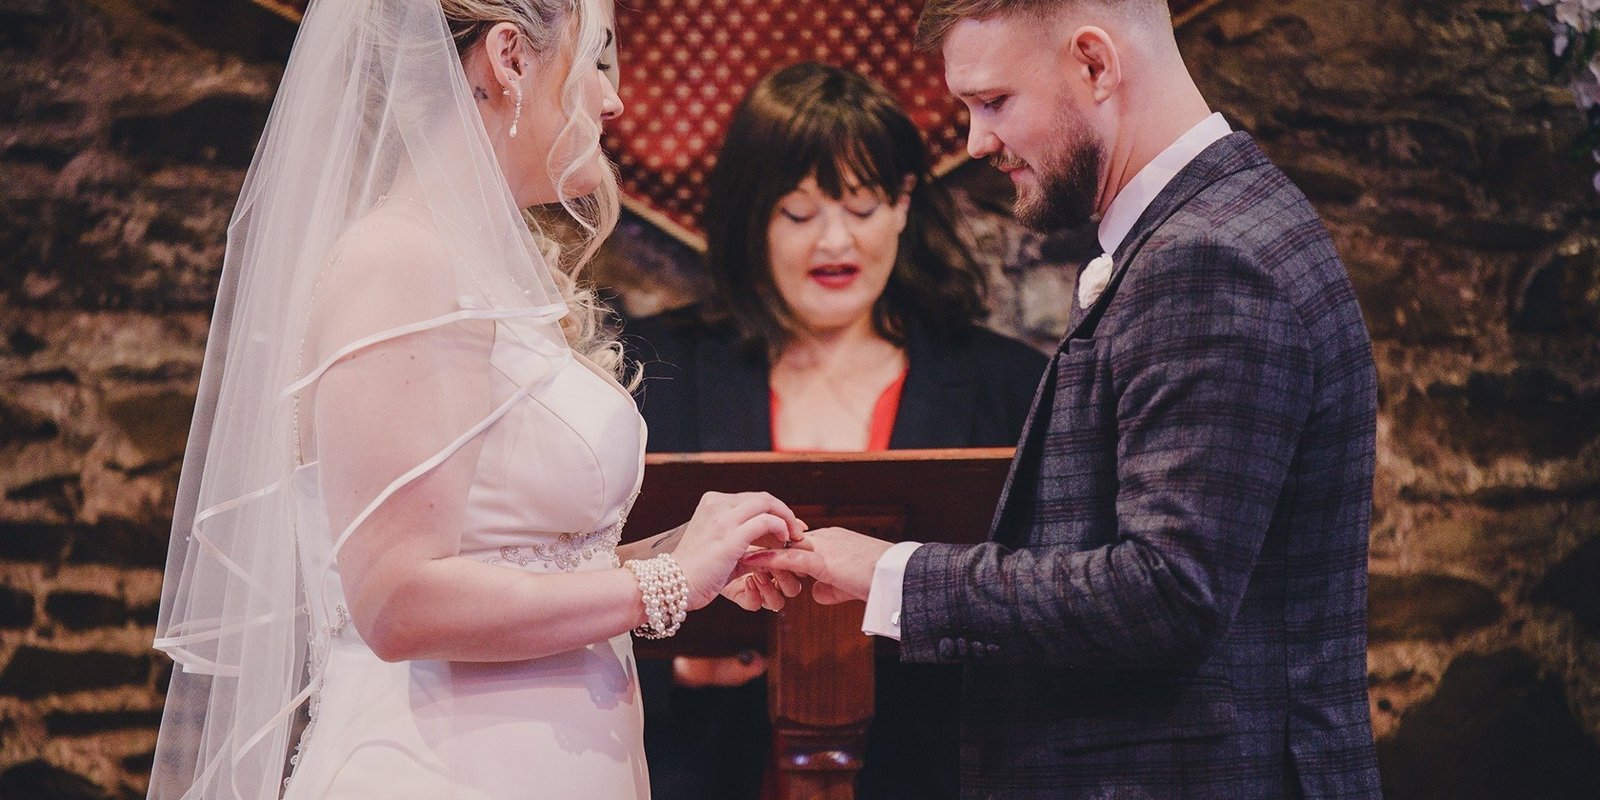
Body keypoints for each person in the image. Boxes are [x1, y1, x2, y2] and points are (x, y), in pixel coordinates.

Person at [147, 1, 803, 799]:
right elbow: (398, 600)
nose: (612, 99)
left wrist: (676, 555)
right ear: (510, 59)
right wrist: (660, 588)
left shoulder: (473, 258)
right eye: (596, 60)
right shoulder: (401, 262)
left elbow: (512, 559)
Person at [745, 1, 1385, 798]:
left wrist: (892, 575)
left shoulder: (1209, 258)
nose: (978, 141)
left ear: (1094, 64)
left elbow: (1166, 593)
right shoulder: (1207, 229)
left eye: (993, 102)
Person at [625, 63, 1047, 800]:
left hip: (937, 771)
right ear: (750, 216)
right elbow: (570, 572)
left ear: (904, 205)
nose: (835, 242)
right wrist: (678, 660)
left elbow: (1047, 604)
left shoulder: (1003, 384)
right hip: (706, 766)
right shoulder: (656, 375)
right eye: (798, 212)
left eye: (861, 206)